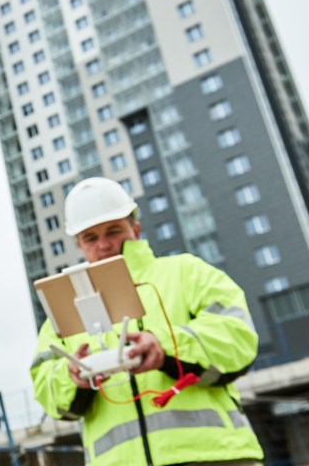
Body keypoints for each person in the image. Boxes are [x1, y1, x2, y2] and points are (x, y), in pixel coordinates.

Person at [30, 177, 263, 466]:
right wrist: (72, 377)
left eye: (113, 231)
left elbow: (238, 335)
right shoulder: (63, 307)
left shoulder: (186, 272)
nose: (103, 244)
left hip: (215, 456)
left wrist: (164, 345)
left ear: (135, 229)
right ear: (79, 244)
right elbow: (44, 387)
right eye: (90, 237)